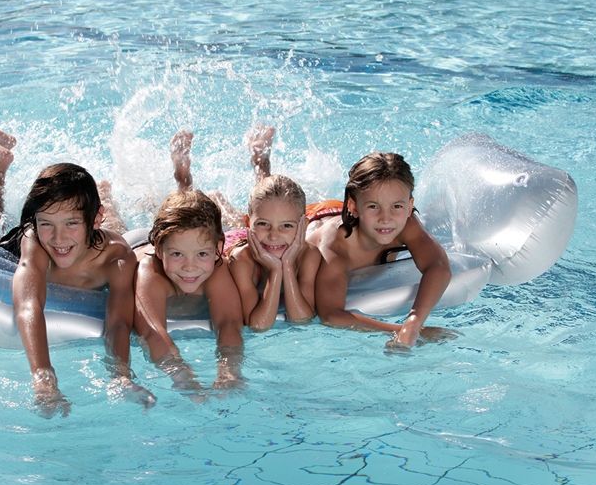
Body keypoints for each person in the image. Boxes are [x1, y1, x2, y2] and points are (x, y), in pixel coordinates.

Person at [0, 130, 155, 416]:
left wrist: (120, 375)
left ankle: (105, 197)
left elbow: (119, 323)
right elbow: (28, 306)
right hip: (16, 248)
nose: (58, 238)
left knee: (115, 231)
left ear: (94, 219)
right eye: (47, 223)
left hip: (98, 235)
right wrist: (43, 379)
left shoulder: (117, 258)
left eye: (71, 223)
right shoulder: (35, 242)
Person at [133, 131, 246, 396]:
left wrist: (230, 371)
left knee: (205, 220)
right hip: (135, 241)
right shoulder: (151, 271)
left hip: (181, 236)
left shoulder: (216, 267)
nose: (190, 266)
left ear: (218, 249)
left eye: (203, 255)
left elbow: (229, 323)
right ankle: (106, 195)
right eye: (177, 256)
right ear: (159, 251)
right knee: (114, 223)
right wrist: (184, 379)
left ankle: (185, 179)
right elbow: (152, 332)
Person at [306, 151, 454, 350]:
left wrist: (413, 322)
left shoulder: (405, 222)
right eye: (374, 207)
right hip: (314, 219)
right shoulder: (335, 249)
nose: (386, 218)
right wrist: (400, 330)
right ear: (353, 206)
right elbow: (331, 315)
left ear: (409, 206)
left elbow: (438, 266)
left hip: (350, 212)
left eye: (397, 206)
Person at [185, 126, 321, 331]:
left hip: (256, 236)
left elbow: (302, 319)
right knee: (195, 217)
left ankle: (261, 162)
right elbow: (257, 324)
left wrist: (287, 266)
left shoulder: (309, 255)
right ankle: (185, 180)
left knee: (269, 203)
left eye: (287, 226)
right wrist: (275, 271)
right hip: (236, 241)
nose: (274, 235)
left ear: (304, 225)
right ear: (249, 224)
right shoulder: (242, 260)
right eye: (263, 224)